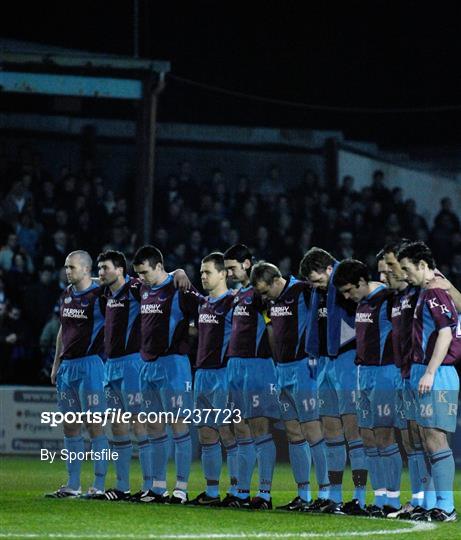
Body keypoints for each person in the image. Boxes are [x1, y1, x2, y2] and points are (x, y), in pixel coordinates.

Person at [251, 262, 329, 511]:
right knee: (294, 433)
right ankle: (303, 495)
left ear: (276, 280)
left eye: (265, 291)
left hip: (304, 368)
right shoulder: (271, 302)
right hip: (282, 370)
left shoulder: (303, 290)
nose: (263, 297)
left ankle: (327, 494)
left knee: (312, 430)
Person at [299, 247, 367, 515]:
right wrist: (313, 352)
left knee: (353, 431)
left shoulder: (346, 279)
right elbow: (317, 322)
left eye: (317, 280)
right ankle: (335, 496)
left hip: (348, 360)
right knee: (331, 432)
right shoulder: (319, 289)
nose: (315, 286)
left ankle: (360, 495)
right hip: (325, 362)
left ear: (329, 269)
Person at [132, 245, 201, 504]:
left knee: (179, 426)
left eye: (145, 272)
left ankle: (181, 488)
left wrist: (190, 333)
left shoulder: (180, 287)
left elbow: (201, 313)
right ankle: (158, 487)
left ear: (159, 267)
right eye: (138, 273)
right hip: (147, 366)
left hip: (174, 364)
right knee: (154, 427)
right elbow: (114, 280)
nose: (141, 278)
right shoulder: (142, 288)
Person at [397, 241, 460, 522]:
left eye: (407, 269)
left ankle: (446, 507)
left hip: (438, 373)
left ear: (422, 266)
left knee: (435, 439)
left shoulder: (434, 290)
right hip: (425, 372)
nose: (405, 275)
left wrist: (431, 371)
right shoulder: (427, 291)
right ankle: (434, 503)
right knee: (425, 439)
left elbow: (446, 333)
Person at [333, 259, 400, 517]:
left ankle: (393, 501)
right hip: (363, 374)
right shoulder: (361, 302)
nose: (347, 297)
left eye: (350, 290)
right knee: (368, 438)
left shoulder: (386, 298)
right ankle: (379, 497)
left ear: (362, 282)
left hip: (385, 372)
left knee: (384, 437)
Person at [46, 250, 109, 498]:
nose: (67, 271)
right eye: (66, 267)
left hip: (92, 365)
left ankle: (99, 485)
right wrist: (56, 364)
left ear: (86, 269)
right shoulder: (66, 295)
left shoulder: (99, 295)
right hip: (68, 368)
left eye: (71, 267)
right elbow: (63, 330)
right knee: (70, 427)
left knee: (95, 426)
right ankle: (72, 485)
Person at [224, 244, 279, 510]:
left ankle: (265, 494)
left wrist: (276, 363)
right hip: (236, 366)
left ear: (246, 264)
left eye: (232, 267)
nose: (229, 273)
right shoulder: (237, 295)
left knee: (259, 429)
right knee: (240, 429)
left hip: (257, 366)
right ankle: (242, 492)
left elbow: (271, 327)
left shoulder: (260, 292)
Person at [95, 250, 151, 501]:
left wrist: (178, 272)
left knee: (139, 423)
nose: (100, 273)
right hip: (111, 365)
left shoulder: (136, 287)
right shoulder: (105, 293)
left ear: (120, 270)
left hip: (132, 364)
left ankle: (150, 486)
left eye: (105, 268)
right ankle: (122, 486)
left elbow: (158, 279)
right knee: (117, 426)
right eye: (98, 268)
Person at [189, 252, 237, 506]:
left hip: (223, 373)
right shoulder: (203, 304)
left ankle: (236, 492)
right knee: (206, 433)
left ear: (223, 273)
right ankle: (211, 492)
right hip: (202, 373)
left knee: (227, 432)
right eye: (201, 273)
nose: (203, 277)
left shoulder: (233, 302)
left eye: (208, 272)